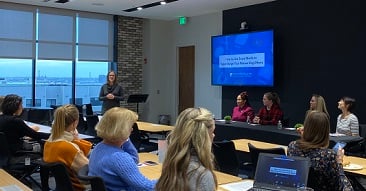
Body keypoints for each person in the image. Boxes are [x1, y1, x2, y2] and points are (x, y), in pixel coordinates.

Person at [88, 107, 156, 191]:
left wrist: (124, 138)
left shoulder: (98, 148)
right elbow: (146, 187)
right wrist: (169, 180)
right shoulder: (119, 157)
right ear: (121, 129)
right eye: (130, 126)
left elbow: (134, 161)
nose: (131, 130)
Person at [288, 111, 353, 191]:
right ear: (325, 131)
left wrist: (305, 137)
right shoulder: (328, 155)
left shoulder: (292, 146)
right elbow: (342, 187)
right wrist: (339, 162)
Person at [155, 107, 218, 191]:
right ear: (203, 137)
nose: (213, 135)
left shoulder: (171, 163)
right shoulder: (203, 176)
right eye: (212, 132)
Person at [43, 104, 92, 191]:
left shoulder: (49, 142)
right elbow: (90, 172)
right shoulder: (69, 148)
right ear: (75, 123)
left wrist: (75, 140)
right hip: (81, 187)